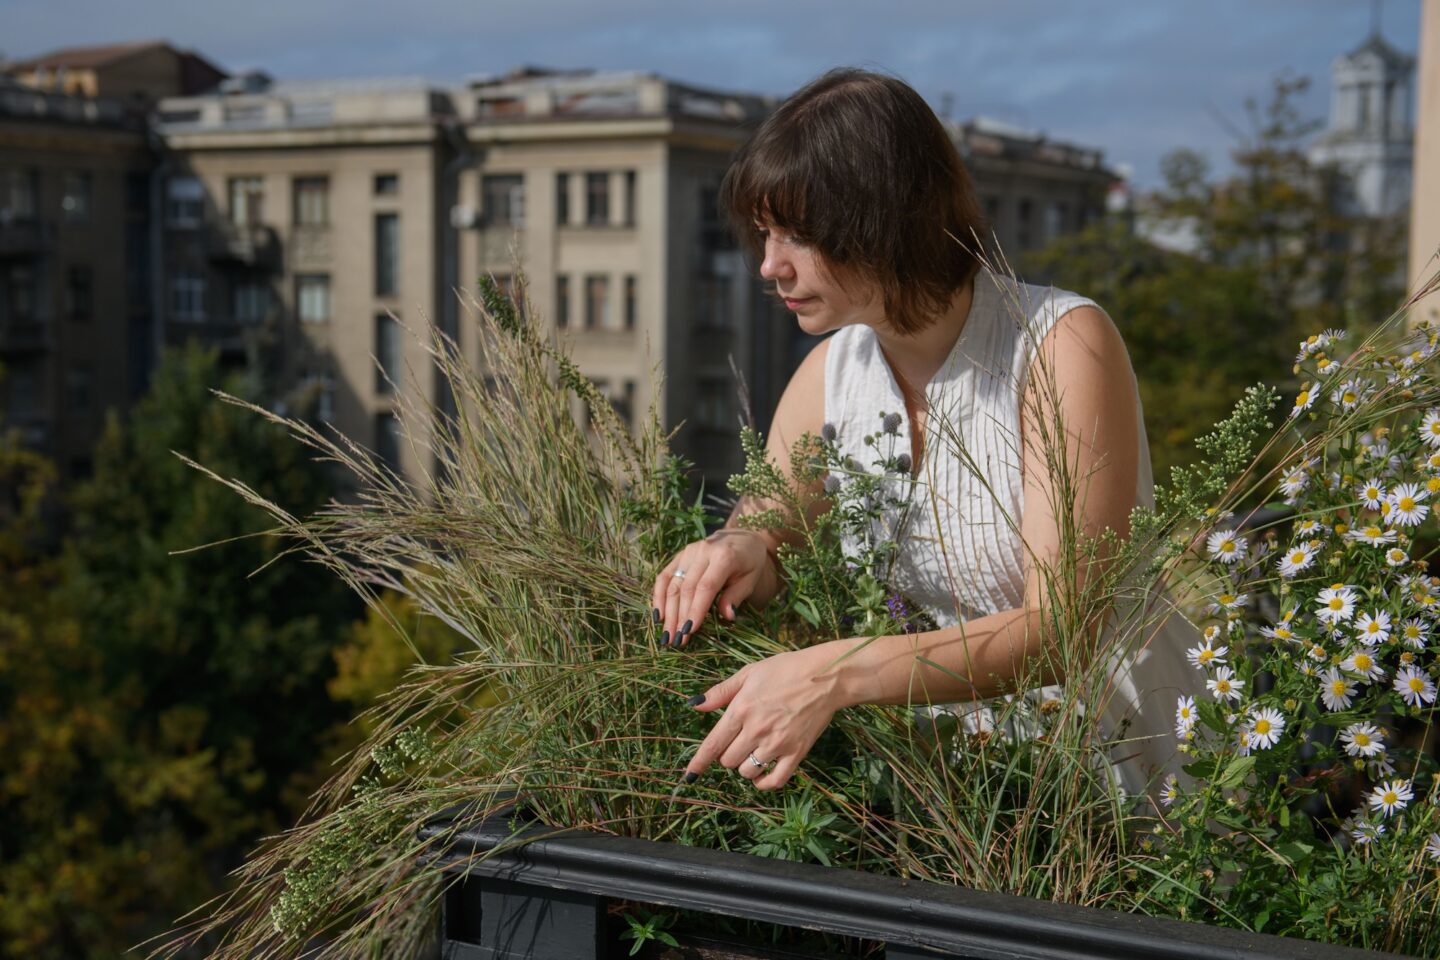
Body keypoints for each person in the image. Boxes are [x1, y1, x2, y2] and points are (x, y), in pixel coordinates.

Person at [651, 68, 1199, 798]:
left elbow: (1063, 630)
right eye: (764, 233)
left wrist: (834, 674)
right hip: (957, 799)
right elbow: (774, 540)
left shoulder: (1060, 345)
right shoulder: (829, 373)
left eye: (799, 235)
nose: (768, 266)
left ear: (886, 219)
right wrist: (738, 554)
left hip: (1122, 787)